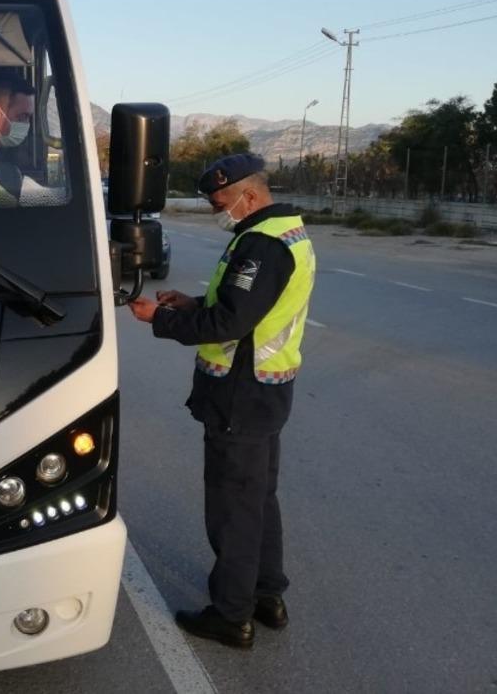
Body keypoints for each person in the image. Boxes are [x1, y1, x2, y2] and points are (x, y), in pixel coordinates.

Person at [127, 153, 316, 649]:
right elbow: (243, 308)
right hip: (267, 390)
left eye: (220, 202)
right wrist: (191, 302)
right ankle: (266, 596)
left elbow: (229, 324)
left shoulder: (261, 246)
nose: (218, 211)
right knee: (258, 498)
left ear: (249, 196)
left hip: (241, 394)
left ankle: (232, 616)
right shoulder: (284, 232)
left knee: (233, 508)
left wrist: (158, 320)